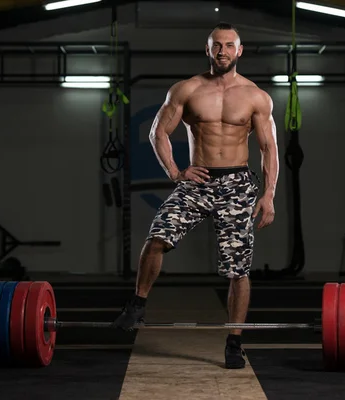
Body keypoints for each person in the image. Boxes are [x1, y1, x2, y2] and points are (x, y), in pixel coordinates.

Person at [112, 22, 279, 369]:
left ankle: (234, 341)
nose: (222, 51)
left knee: (238, 269)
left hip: (237, 185)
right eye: (216, 45)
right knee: (158, 236)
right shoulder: (186, 90)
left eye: (229, 45)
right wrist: (175, 172)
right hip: (196, 182)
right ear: (208, 50)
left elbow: (268, 148)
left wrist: (269, 196)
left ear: (239, 50)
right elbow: (158, 131)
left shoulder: (256, 96)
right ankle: (138, 304)